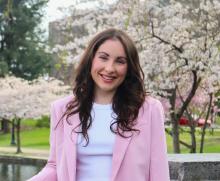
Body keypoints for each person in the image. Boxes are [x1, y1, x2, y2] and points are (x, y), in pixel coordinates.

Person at [27, 28, 170, 181]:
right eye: (103, 58)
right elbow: (55, 166)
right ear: (91, 59)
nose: (109, 68)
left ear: (129, 67)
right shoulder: (62, 109)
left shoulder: (149, 109)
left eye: (120, 61)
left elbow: (158, 171)